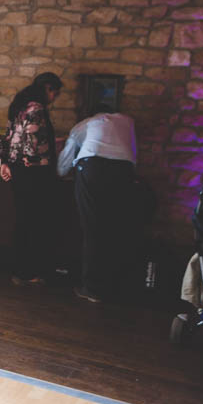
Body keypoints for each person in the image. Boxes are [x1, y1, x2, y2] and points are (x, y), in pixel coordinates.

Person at [57, 105, 138, 303]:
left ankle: (92, 288)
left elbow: (64, 163)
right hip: (123, 170)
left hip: (93, 168)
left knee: (92, 227)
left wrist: (60, 173)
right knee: (115, 227)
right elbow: (133, 153)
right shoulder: (128, 121)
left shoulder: (83, 125)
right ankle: (114, 285)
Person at [0, 72, 63, 286]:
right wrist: (40, 157)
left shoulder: (20, 105)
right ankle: (27, 272)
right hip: (32, 172)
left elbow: (9, 136)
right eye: (55, 92)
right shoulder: (36, 108)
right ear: (46, 88)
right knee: (33, 222)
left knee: (23, 220)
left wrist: (5, 162)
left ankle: (20, 270)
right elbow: (33, 141)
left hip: (18, 170)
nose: (55, 97)